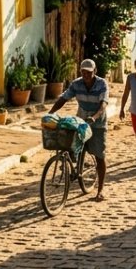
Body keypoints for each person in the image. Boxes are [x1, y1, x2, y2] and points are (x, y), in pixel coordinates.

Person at [49, 58, 108, 201]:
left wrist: (94, 117)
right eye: (83, 72)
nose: (86, 75)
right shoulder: (76, 84)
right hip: (81, 121)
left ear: (95, 71)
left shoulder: (102, 84)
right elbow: (63, 98)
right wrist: (50, 113)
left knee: (99, 156)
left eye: (89, 72)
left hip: (97, 123)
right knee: (70, 144)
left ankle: (100, 190)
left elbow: (103, 104)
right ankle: (74, 166)